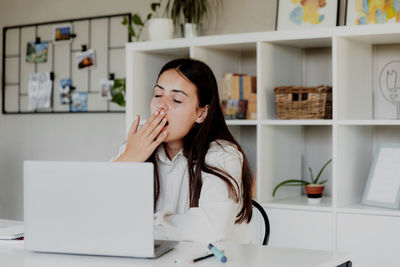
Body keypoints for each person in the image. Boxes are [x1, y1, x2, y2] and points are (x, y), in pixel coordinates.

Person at [114, 58, 253, 243]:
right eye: (157, 95)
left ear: (201, 113)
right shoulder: (135, 147)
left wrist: (143, 226)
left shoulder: (223, 154)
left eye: (176, 99)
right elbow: (98, 211)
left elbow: (211, 227)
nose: (161, 106)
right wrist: (126, 160)